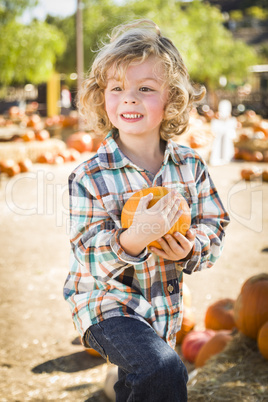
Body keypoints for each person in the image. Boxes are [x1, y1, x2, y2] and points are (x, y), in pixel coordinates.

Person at [63, 19, 230, 401]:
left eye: (145, 89)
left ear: (171, 98)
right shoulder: (90, 176)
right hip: (105, 304)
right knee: (163, 368)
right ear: (101, 96)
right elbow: (87, 252)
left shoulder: (190, 166)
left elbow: (214, 222)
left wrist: (192, 248)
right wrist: (135, 236)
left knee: (145, 380)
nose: (129, 98)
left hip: (162, 308)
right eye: (117, 88)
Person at [209, 99, 237, 166]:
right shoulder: (216, 121)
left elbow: (232, 133)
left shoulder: (232, 121)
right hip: (218, 142)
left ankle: (226, 158)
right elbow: (214, 131)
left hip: (227, 143)